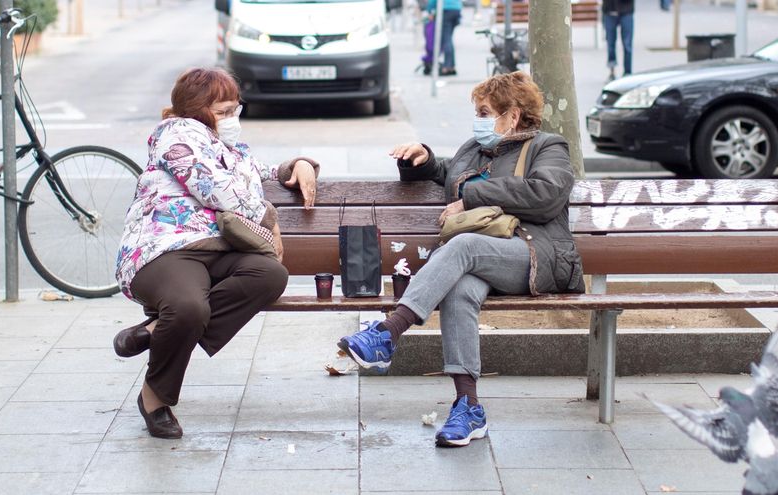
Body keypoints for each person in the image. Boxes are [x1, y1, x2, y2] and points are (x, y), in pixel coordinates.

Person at [337, 72, 585, 448]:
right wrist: (421, 160)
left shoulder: (548, 147)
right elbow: (447, 174)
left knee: (464, 246)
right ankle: (468, 407)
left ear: (512, 116)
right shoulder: (475, 148)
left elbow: (546, 194)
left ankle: (388, 332)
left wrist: (472, 197)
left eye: (485, 112)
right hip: (483, 259)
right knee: (460, 289)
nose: (479, 120)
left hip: (535, 255)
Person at [113, 67, 320, 439]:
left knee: (270, 275)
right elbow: (213, 186)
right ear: (196, 110)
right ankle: (155, 397)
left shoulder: (226, 148)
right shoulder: (175, 136)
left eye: (235, 109)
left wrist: (299, 165)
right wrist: (268, 219)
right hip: (167, 249)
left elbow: (262, 172)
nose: (232, 119)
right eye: (223, 112)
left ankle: (157, 329)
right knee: (189, 308)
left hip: (218, 249)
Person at [427, 0, 462, 76]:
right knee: (449, 38)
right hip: (457, 9)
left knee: (446, 39)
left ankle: (447, 67)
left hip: (446, 10)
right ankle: (451, 66)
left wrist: (430, 11)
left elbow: (432, 2)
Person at [603, 0, 635, 80]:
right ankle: (612, 72)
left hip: (626, 10)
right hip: (609, 10)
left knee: (627, 45)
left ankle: (627, 72)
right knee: (610, 44)